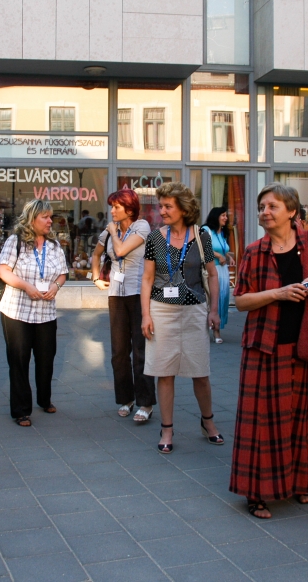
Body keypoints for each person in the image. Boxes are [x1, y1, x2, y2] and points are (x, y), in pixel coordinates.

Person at [230, 183, 308, 518]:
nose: (265, 212)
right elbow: (241, 301)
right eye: (262, 206)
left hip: (307, 343)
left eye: (272, 206)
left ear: (292, 211)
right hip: (264, 346)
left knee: (305, 418)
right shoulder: (254, 251)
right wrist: (278, 293)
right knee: (260, 422)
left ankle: (302, 482)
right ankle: (257, 492)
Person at [141, 182, 222, 454]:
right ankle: (167, 429)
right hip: (161, 310)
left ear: (184, 209)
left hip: (194, 311)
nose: (161, 211)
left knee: (200, 372)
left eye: (167, 206)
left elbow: (212, 274)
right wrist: (145, 315)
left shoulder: (201, 236)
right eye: (160, 205)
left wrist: (214, 310)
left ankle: (208, 422)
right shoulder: (155, 238)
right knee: (164, 372)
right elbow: (147, 278)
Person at [0, 199, 68, 426]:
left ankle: (44, 399)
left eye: (50, 217)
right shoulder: (15, 241)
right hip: (17, 311)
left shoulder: (54, 245)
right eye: (45, 217)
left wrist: (56, 286)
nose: (50, 221)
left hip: (46, 312)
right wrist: (26, 286)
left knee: (46, 359)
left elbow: (63, 273)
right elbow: (3, 271)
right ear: (31, 219)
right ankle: (21, 410)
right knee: (19, 360)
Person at [92, 189, 154, 422]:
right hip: (116, 295)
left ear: (129, 209)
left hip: (138, 294)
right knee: (119, 351)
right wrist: (96, 277)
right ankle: (125, 399)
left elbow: (120, 250)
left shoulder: (142, 227)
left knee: (140, 350)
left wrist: (112, 231)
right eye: (112, 206)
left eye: (117, 207)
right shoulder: (110, 230)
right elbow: (96, 254)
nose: (112, 211)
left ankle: (145, 403)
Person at [203, 207, 233, 343]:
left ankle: (217, 328)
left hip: (223, 270)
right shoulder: (206, 230)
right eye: (223, 215)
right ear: (216, 216)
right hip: (211, 270)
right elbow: (204, 247)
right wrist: (219, 256)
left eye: (226, 215)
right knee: (212, 299)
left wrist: (228, 256)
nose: (226, 218)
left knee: (222, 299)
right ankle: (214, 332)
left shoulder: (223, 233)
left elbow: (222, 249)